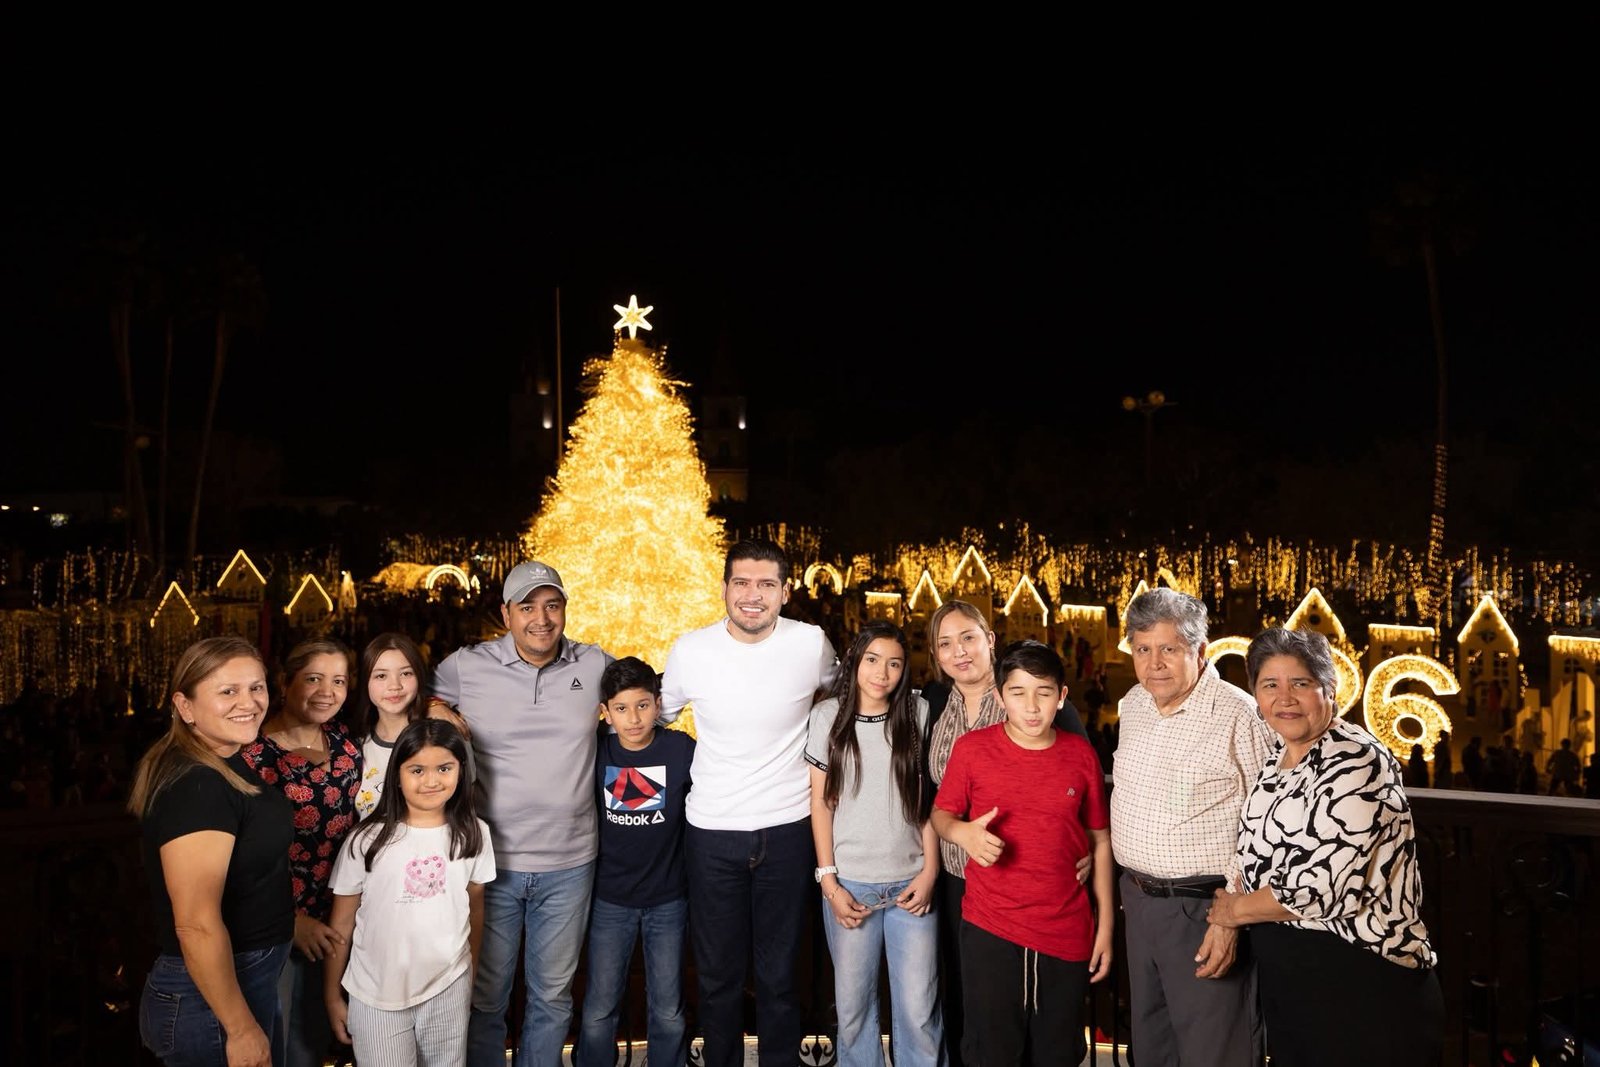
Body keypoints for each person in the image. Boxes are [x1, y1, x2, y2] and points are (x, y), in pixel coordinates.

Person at [1208, 627, 1441, 1065]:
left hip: (1363, 982)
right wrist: (1228, 918)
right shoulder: (1278, 761)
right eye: (1269, 685)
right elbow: (1249, 854)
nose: (1285, 698)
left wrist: (1232, 912)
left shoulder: (1357, 760)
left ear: (1329, 689)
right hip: (1297, 983)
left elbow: (1323, 888)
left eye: (1300, 683)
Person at [659, 538, 839, 1067]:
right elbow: (655, 716)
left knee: (780, 976)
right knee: (717, 977)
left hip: (788, 829)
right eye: (741, 582)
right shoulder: (691, 650)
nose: (752, 595)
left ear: (784, 591)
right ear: (724, 588)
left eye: (765, 584)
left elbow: (845, 698)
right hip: (711, 831)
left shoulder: (810, 644)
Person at [432, 560, 613, 1067]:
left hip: (570, 863)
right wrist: (432, 705)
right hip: (490, 865)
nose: (541, 619)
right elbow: (404, 693)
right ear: (506, 613)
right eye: (528, 607)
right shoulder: (467, 666)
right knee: (485, 997)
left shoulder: (594, 664)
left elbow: (649, 698)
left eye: (552, 606)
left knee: (552, 999)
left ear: (565, 610)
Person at [931, 640, 1113, 1067]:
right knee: (991, 1050)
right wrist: (962, 833)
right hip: (990, 927)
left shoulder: (1080, 754)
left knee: (1058, 1051)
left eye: (1043, 693)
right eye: (1017, 692)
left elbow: (1101, 841)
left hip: (1065, 929)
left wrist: (1105, 925)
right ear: (1000, 697)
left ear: (1061, 696)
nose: (1031, 707)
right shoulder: (972, 749)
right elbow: (941, 815)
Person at [1110, 587, 1271, 1067]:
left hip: (1205, 910)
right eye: (1142, 649)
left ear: (1199, 651)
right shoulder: (1133, 704)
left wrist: (1230, 918)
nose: (1154, 663)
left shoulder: (1239, 714)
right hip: (1140, 904)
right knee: (1152, 1049)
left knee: (1214, 1052)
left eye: (1168, 648)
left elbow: (1265, 825)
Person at [131, 635, 293, 1067]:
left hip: (239, 985)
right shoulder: (197, 786)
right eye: (228, 691)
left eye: (256, 687)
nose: (249, 702)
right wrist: (239, 1028)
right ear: (185, 707)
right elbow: (196, 924)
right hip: (210, 1001)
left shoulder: (221, 761)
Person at [806, 622, 942, 1067]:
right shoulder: (827, 716)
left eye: (894, 664)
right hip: (851, 886)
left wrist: (930, 871)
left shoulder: (917, 713)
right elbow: (821, 803)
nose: (882, 673)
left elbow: (925, 801)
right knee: (853, 1012)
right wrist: (830, 883)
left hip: (911, 886)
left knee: (919, 1011)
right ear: (855, 661)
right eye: (873, 660)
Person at [324, 719, 496, 1066]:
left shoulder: (474, 834)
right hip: (374, 993)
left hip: (448, 985)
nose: (431, 781)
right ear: (397, 775)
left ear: (461, 771)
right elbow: (340, 926)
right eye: (417, 770)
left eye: (444, 768)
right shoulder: (366, 840)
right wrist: (332, 996)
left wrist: (469, 976)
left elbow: (475, 910)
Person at [241, 639, 363, 1067]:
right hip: (273, 925)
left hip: (339, 924)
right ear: (284, 682)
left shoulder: (347, 746)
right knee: (275, 1046)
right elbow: (236, 858)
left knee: (314, 1045)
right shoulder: (252, 756)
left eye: (339, 681)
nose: (327, 692)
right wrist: (291, 921)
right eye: (313, 679)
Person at [575, 657, 695, 1067]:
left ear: (658, 704)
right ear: (605, 712)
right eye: (622, 709)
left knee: (668, 1010)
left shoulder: (680, 749)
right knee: (598, 1010)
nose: (634, 718)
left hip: (669, 899)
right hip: (610, 900)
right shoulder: (596, 753)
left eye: (643, 705)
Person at [352, 633, 430, 819]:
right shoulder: (354, 745)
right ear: (365, 682)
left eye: (406, 673)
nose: (394, 685)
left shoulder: (438, 738)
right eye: (381, 676)